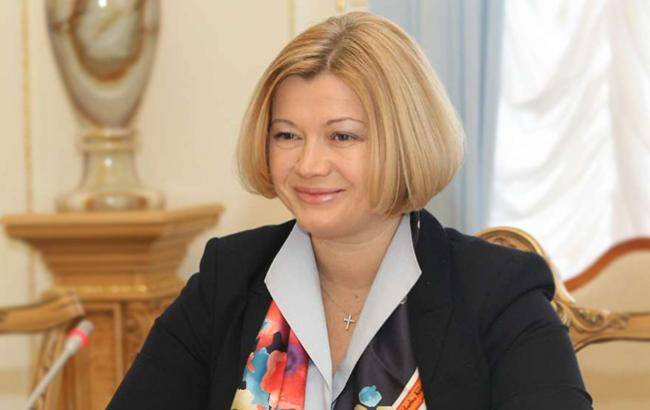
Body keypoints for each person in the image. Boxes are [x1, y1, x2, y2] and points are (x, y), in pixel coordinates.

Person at [107, 11, 593, 410]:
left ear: (406, 142)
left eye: (342, 136)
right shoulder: (227, 278)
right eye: (287, 135)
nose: (309, 165)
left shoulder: (498, 292)